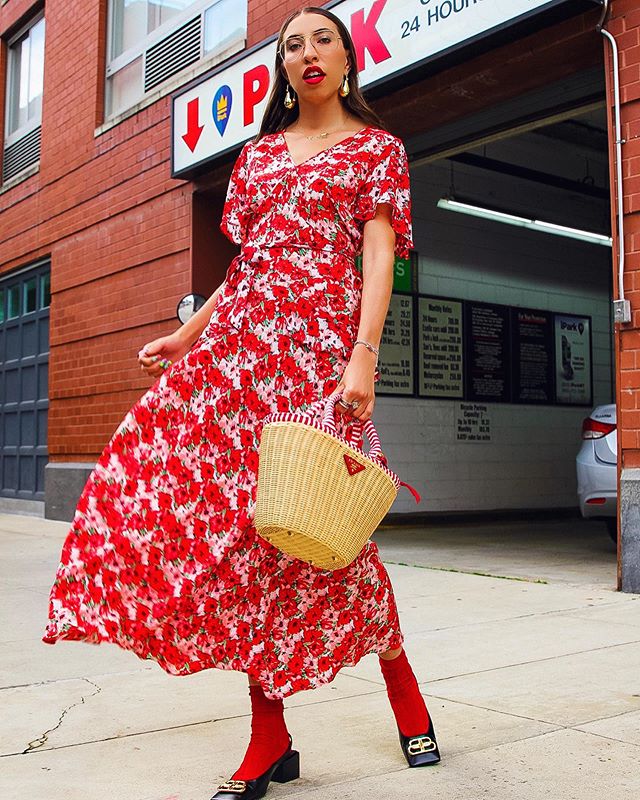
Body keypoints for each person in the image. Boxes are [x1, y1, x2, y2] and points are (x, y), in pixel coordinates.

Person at [42, 6, 440, 799]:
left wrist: (362, 359)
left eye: (321, 38)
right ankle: (270, 737)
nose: (307, 53)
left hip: (322, 365)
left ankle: (403, 688)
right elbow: (244, 269)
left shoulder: (376, 150)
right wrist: (187, 337)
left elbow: (378, 258)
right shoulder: (257, 159)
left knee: (333, 536)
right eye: (292, 45)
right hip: (239, 364)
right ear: (283, 71)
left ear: (347, 56)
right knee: (241, 538)